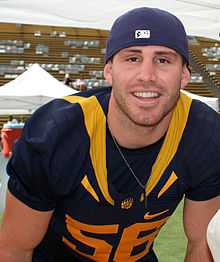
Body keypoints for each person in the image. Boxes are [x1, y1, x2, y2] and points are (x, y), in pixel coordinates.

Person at [0, 7, 220, 262]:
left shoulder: (205, 135)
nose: (147, 76)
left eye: (163, 60)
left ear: (184, 75)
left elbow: (201, 247)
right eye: (132, 58)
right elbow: (14, 248)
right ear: (108, 71)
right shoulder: (57, 133)